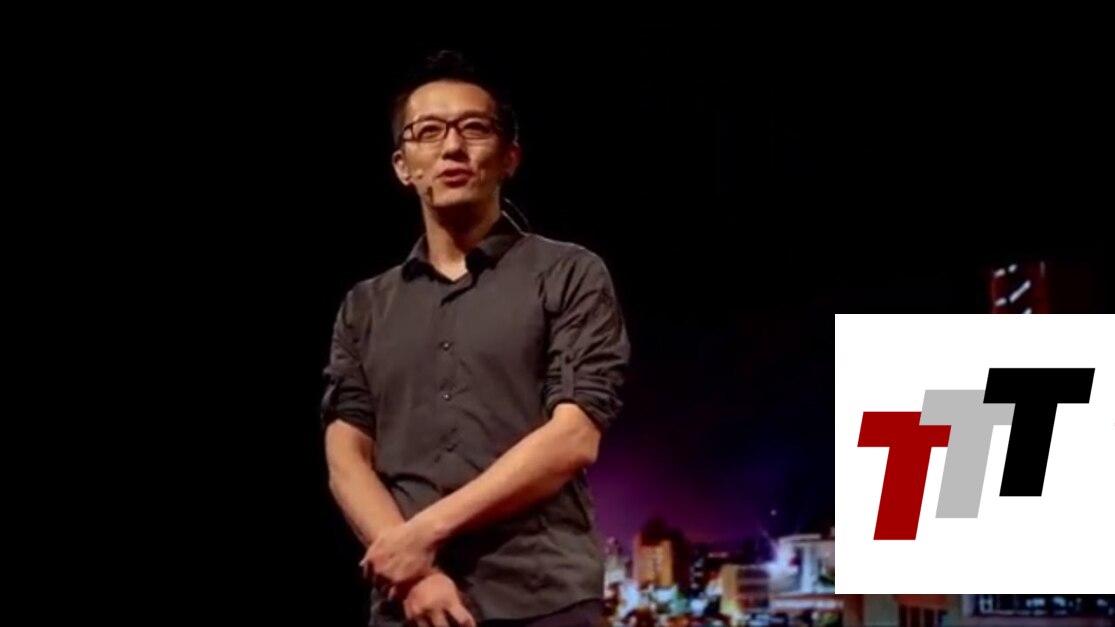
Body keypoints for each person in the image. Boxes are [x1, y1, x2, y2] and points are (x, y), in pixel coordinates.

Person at [321, 50, 630, 627]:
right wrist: (413, 571)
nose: (452, 147)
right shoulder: (364, 306)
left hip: (543, 598)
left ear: (510, 156)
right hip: (409, 604)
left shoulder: (569, 274)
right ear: (403, 166)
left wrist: (421, 535)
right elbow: (345, 453)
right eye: (428, 132)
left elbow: (573, 437)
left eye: (474, 128)